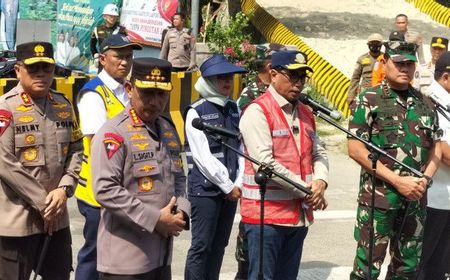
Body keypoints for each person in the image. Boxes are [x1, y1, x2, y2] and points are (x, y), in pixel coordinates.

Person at [90, 57, 190, 280]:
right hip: (126, 261)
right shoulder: (113, 133)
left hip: (161, 257)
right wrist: (156, 220)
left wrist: (182, 210)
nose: (154, 102)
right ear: (129, 88)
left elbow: (180, 176)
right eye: (147, 93)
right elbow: (105, 189)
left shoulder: (167, 130)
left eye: (161, 94)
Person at [348, 40, 440, 279]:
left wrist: (424, 181)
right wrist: (398, 181)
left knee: (407, 269)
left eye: (410, 64)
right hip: (379, 200)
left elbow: (435, 150)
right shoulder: (369, 99)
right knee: (366, 268)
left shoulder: (426, 103)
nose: (404, 68)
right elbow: (355, 148)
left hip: (415, 202)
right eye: (398, 63)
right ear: (385, 62)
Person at [239, 50, 329, 280]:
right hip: (266, 217)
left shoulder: (306, 113)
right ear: (273, 74)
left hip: (297, 216)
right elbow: (265, 164)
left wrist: (321, 181)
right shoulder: (257, 111)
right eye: (293, 76)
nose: (298, 83)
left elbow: (319, 152)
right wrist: (309, 192)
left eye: (302, 77)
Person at [0, 41, 83, 279]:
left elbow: (76, 150)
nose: (41, 74)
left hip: (56, 220)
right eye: (33, 68)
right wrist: (44, 203)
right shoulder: (6, 108)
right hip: (17, 222)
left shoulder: (64, 106)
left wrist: (64, 189)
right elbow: (4, 163)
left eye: (46, 68)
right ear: (18, 70)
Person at [74, 34, 142, 280]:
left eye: (129, 56)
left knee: (116, 254)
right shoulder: (94, 94)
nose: (125, 62)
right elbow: (98, 146)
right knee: (94, 254)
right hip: (98, 191)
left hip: (121, 187)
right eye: (119, 56)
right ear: (103, 59)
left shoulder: (128, 90)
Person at [184, 54, 247, 280]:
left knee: (220, 245)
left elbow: (241, 148)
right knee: (201, 246)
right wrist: (227, 185)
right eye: (221, 78)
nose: (227, 82)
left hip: (230, 191)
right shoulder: (196, 111)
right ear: (209, 81)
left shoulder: (233, 108)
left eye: (229, 77)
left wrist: (237, 183)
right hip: (206, 190)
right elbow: (202, 156)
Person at [416, 51, 450, 280]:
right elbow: (445, 153)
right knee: (425, 263)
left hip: (446, 199)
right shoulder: (434, 102)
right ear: (446, 77)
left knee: (440, 266)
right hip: (435, 199)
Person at [237, 43, 286, 110]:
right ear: (270, 67)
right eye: (283, 67)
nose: (287, 71)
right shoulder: (250, 95)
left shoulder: (283, 90)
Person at [347, 33, 384, 104]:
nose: (374, 45)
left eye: (377, 43)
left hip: (381, 91)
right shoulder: (362, 59)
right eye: (372, 43)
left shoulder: (385, 58)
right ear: (368, 44)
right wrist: (351, 95)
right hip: (365, 91)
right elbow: (355, 78)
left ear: (381, 45)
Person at [90, 3, 127, 71]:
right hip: (103, 62)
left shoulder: (122, 30)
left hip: (116, 63)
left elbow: (126, 48)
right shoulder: (97, 29)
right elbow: (92, 46)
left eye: (115, 16)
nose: (113, 18)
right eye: (110, 16)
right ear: (104, 16)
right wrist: (95, 56)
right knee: (101, 81)